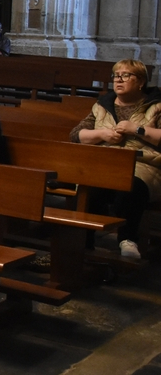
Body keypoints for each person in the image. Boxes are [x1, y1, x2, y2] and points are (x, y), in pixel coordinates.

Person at [70, 59, 161, 260]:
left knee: (131, 185)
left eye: (126, 75)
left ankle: (128, 239)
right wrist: (102, 134)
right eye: (116, 75)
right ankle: (82, 242)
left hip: (144, 164)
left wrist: (137, 130)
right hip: (107, 162)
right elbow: (77, 135)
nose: (119, 79)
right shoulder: (102, 105)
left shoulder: (156, 106)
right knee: (89, 188)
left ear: (141, 82)